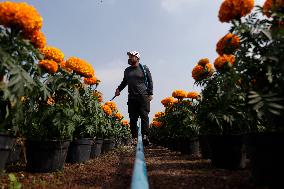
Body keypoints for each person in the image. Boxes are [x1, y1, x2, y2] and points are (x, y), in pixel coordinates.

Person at [115, 51, 153, 145]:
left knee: (144, 117)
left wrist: (150, 93)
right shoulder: (127, 70)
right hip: (132, 97)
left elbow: (150, 81)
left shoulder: (144, 68)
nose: (129, 58)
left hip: (143, 97)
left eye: (131, 56)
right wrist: (119, 89)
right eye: (129, 56)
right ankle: (134, 138)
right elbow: (124, 82)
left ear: (137, 58)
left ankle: (145, 137)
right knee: (133, 118)